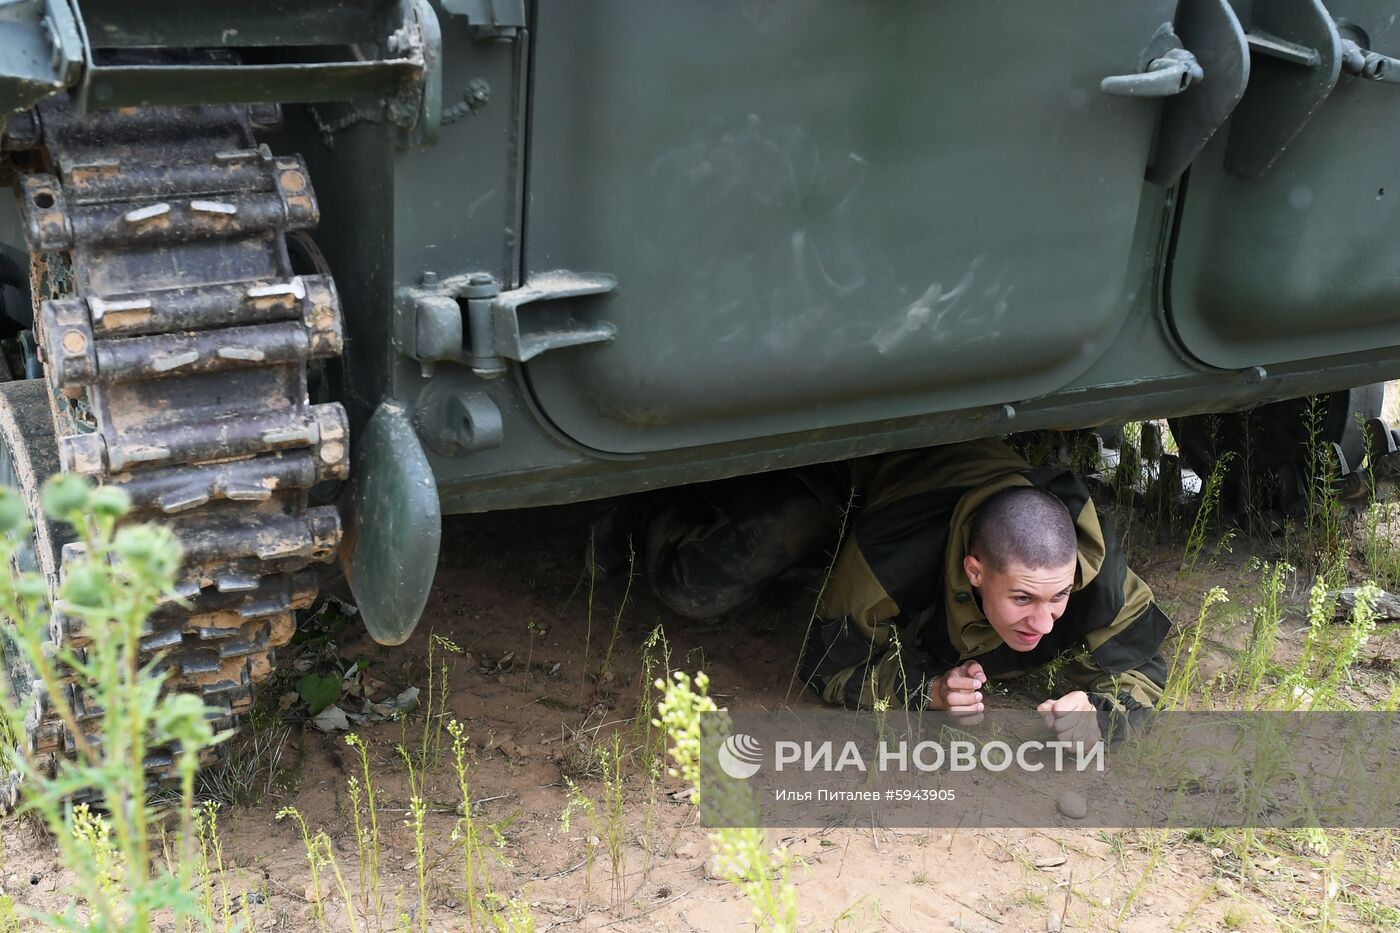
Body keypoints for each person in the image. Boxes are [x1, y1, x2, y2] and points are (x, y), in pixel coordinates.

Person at [622, 436, 1170, 744]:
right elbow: (828, 666)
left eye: (1059, 598)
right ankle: (646, 502)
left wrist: (1102, 714)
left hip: (968, 468)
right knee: (694, 586)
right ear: (975, 571)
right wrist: (926, 692)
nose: (1045, 623)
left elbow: (1143, 657)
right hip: (854, 462)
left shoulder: (1081, 555)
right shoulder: (891, 557)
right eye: (1023, 599)